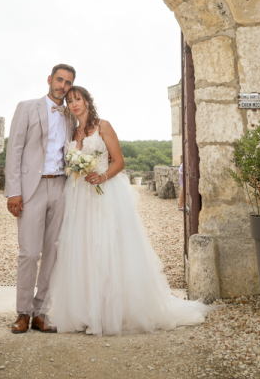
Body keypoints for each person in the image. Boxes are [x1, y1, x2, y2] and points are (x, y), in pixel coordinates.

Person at [47, 86, 211, 335]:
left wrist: (102, 176)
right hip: (78, 195)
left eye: (77, 99)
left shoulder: (103, 126)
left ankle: (109, 312)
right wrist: (77, 169)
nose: (74, 104)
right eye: (69, 101)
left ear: (87, 101)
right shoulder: (72, 131)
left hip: (103, 193)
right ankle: (83, 311)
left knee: (106, 247)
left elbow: (119, 161)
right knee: (80, 248)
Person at [4, 64, 76, 334]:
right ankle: (23, 312)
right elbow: (15, 150)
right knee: (29, 253)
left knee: (53, 253)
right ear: (49, 79)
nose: (63, 86)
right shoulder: (27, 107)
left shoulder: (70, 115)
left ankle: (41, 312)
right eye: (59, 80)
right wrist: (14, 191)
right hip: (31, 189)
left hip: (60, 186)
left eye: (68, 83)